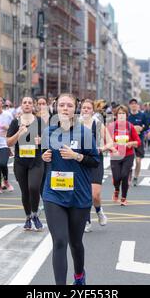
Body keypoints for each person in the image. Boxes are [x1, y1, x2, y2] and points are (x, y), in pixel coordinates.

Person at [41, 93, 99, 285]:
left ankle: (79, 275)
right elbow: (44, 155)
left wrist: (77, 156)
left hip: (78, 195)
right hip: (54, 193)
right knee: (59, 241)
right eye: (62, 105)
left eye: (69, 105)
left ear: (75, 108)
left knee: (75, 243)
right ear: (56, 108)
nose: (65, 109)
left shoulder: (84, 133)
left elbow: (95, 161)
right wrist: (44, 156)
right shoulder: (48, 132)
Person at [7, 97, 44, 231]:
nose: (27, 104)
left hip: (36, 161)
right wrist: (18, 133)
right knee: (25, 191)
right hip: (20, 162)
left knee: (33, 187)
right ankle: (28, 217)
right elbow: (9, 143)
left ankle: (35, 214)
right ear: (21, 105)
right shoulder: (15, 122)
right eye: (25, 102)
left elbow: (48, 140)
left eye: (30, 102)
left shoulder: (39, 121)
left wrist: (41, 141)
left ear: (33, 105)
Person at [80, 99, 114, 233]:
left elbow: (111, 142)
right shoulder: (75, 124)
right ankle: (87, 220)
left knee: (95, 195)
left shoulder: (98, 124)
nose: (86, 110)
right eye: (84, 108)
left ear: (93, 111)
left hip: (95, 160)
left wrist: (102, 148)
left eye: (89, 108)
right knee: (84, 194)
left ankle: (99, 211)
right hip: (80, 161)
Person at [108, 105, 141, 206]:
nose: (121, 115)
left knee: (125, 175)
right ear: (116, 115)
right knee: (117, 177)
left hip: (128, 155)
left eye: (123, 113)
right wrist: (113, 146)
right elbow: (106, 141)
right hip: (115, 155)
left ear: (126, 115)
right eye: (119, 113)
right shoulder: (111, 127)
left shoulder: (130, 126)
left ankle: (123, 198)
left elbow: (138, 141)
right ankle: (117, 190)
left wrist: (131, 143)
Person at [128, 99, 146, 187]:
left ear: (138, 105)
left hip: (139, 140)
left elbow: (148, 127)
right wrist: (133, 128)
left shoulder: (142, 115)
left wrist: (142, 129)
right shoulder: (127, 116)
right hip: (129, 141)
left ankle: (136, 176)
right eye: (132, 104)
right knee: (129, 161)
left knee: (138, 160)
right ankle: (129, 176)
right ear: (129, 106)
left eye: (135, 104)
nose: (134, 105)